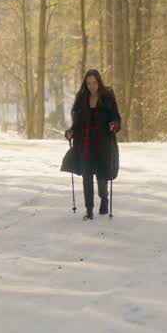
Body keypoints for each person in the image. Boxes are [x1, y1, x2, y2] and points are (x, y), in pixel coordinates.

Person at [64, 69, 121, 220]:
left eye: (94, 83)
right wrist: (70, 132)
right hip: (85, 143)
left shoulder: (107, 97)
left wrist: (114, 125)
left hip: (103, 144)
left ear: (99, 82)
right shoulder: (81, 98)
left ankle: (104, 199)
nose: (92, 86)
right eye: (88, 83)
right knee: (87, 176)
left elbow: (117, 118)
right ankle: (89, 210)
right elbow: (76, 124)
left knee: (102, 177)